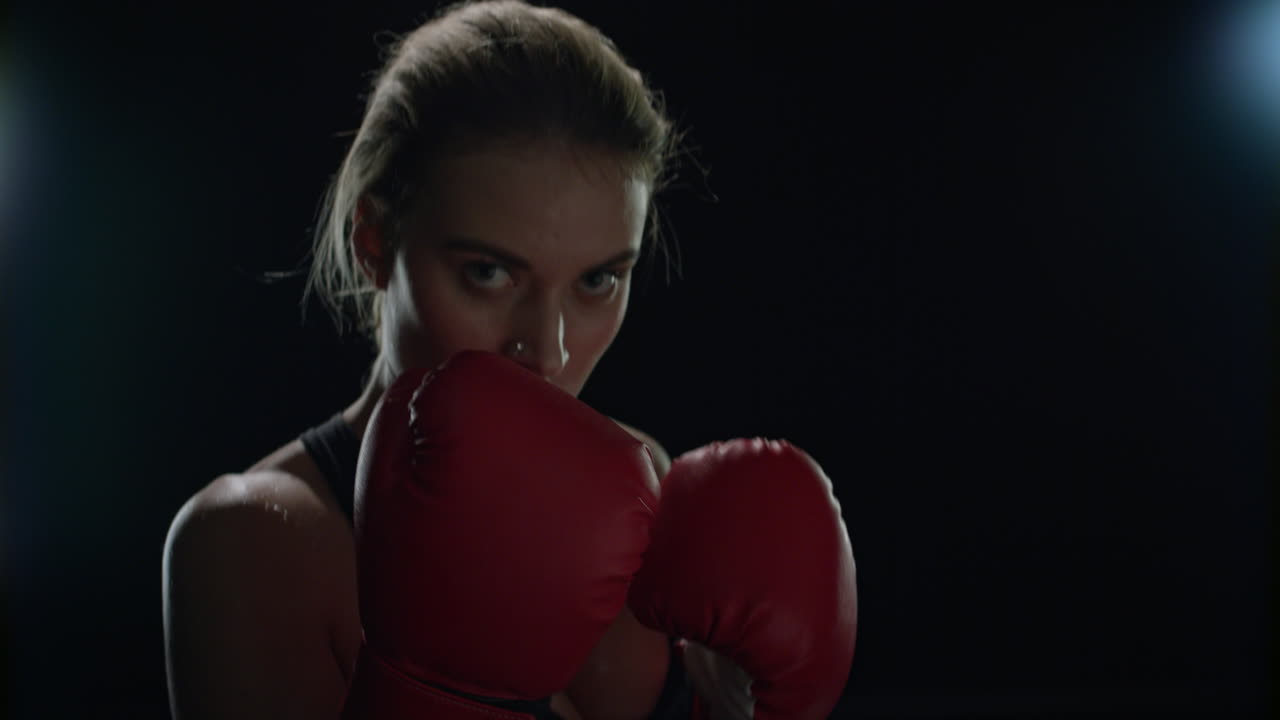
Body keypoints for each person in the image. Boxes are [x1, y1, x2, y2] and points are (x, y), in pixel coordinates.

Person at [162, 2, 855, 719]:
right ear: (374, 244)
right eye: (489, 273)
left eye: (598, 280)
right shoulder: (256, 544)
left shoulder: (651, 485)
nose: (546, 349)